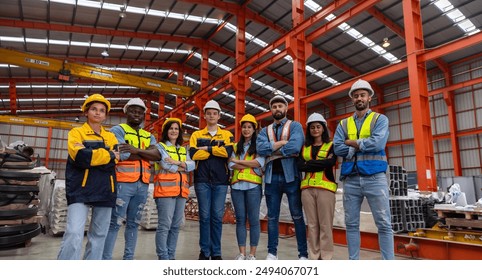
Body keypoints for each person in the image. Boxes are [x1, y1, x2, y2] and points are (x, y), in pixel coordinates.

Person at [333, 79, 394, 260]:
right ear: (352, 99)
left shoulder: (380, 119)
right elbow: (337, 148)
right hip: (350, 179)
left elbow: (379, 142)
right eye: (356, 95)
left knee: (384, 224)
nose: (359, 98)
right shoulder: (343, 124)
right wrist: (359, 146)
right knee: (351, 224)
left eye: (362, 95)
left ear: (369, 98)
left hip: (375, 178)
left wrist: (352, 144)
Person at [58, 94, 120, 260]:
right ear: (86, 112)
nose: (98, 113)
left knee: (99, 235)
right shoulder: (76, 133)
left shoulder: (111, 137)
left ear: (105, 115)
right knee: (73, 233)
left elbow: (116, 159)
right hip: (80, 189)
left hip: (106, 189)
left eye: (102, 110)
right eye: (94, 109)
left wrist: (95, 156)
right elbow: (80, 157)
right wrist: (107, 155)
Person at [102, 98, 161, 260]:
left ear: (144, 115)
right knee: (115, 223)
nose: (137, 114)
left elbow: (157, 155)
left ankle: (128, 259)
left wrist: (135, 149)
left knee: (134, 223)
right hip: (123, 183)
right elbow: (123, 154)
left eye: (140, 111)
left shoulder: (148, 135)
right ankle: (105, 260)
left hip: (142, 185)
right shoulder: (117, 130)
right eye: (133, 110)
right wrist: (144, 152)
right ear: (126, 112)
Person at [256, 95, 308, 260]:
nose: (277, 109)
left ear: (286, 109)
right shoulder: (265, 130)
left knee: (297, 215)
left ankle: (303, 254)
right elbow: (260, 148)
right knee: (272, 217)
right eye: (274, 106)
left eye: (280, 106)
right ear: (271, 110)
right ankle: (272, 253)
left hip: (291, 176)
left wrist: (272, 150)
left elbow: (296, 145)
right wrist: (280, 145)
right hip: (271, 178)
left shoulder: (295, 126)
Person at [189, 100, 234, 260]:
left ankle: (216, 252)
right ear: (205, 115)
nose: (212, 116)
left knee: (216, 217)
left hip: (221, 182)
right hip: (202, 181)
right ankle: (204, 251)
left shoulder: (227, 135)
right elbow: (193, 154)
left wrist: (207, 148)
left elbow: (228, 152)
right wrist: (216, 150)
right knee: (205, 217)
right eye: (209, 113)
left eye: (215, 113)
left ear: (219, 115)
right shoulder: (196, 135)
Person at [153, 118, 195, 260]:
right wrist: (183, 166)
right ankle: (163, 257)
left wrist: (176, 162)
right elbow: (166, 165)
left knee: (176, 226)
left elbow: (192, 166)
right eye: (171, 128)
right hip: (165, 191)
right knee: (164, 226)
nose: (174, 131)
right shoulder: (160, 147)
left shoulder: (183, 149)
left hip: (181, 192)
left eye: (176, 129)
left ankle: (171, 256)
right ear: (166, 131)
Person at [297, 113, 337, 260]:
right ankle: (314, 256)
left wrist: (309, 164)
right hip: (307, 190)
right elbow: (300, 166)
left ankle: (326, 257)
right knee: (312, 225)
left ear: (323, 128)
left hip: (325, 189)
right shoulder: (304, 147)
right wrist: (320, 163)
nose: (315, 130)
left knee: (325, 225)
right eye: (312, 127)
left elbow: (330, 163)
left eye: (318, 127)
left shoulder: (331, 145)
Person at [228, 114, 265, 260]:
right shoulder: (235, 146)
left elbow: (259, 163)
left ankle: (252, 254)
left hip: (253, 187)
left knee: (254, 220)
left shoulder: (259, 146)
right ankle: (242, 253)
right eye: (244, 127)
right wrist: (247, 162)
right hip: (237, 187)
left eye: (249, 127)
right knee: (241, 219)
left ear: (254, 129)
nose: (246, 129)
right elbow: (230, 164)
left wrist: (239, 162)